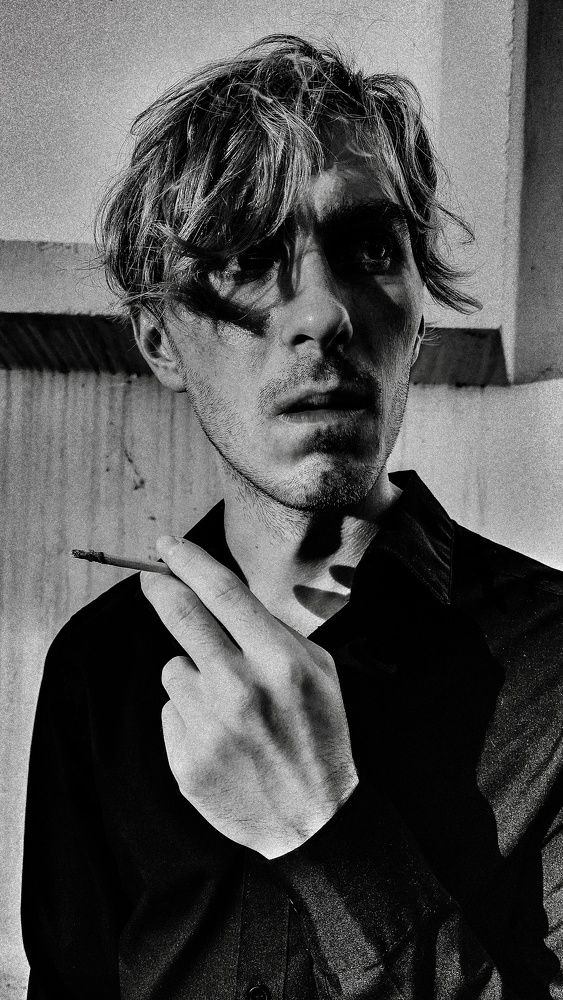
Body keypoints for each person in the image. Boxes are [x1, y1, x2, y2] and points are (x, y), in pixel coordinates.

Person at [21, 34, 563, 1000]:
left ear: (419, 318)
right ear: (160, 341)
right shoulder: (97, 672)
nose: (322, 315)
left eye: (371, 250)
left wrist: (331, 840)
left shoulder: (555, 667)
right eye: (247, 257)